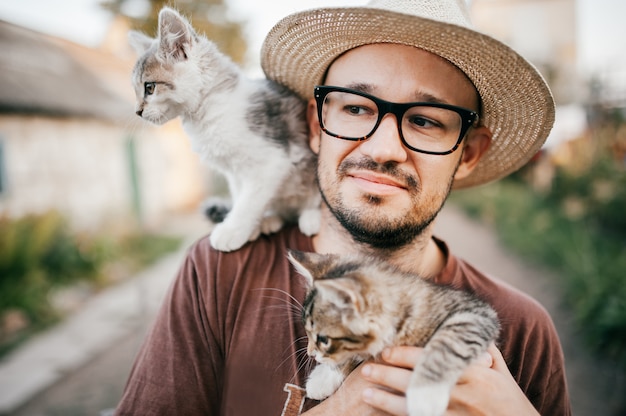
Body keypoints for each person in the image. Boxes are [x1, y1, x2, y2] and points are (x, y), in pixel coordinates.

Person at [115, 0, 571, 415]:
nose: (385, 147)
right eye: (356, 109)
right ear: (316, 126)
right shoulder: (218, 275)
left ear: (468, 153)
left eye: (425, 120)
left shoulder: (524, 331)